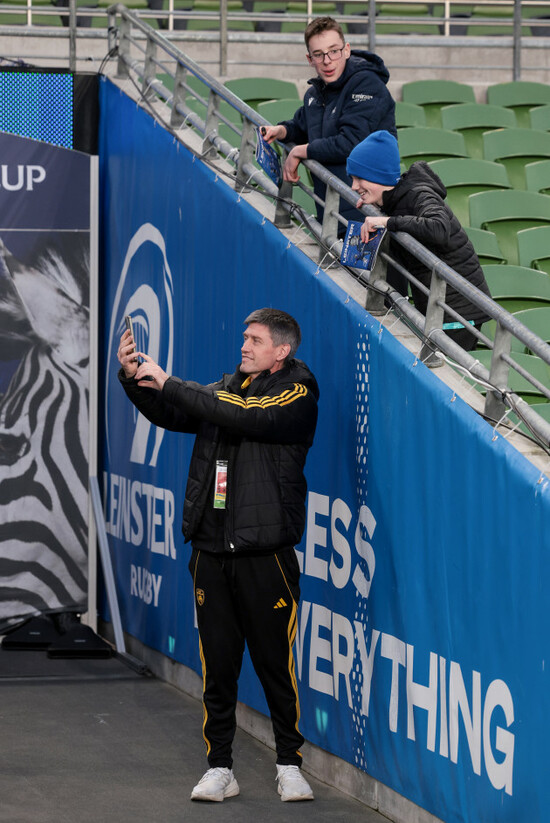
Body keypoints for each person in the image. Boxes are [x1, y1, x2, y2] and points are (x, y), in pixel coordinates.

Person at [117, 308, 319, 803]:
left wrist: (171, 382)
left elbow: (244, 416)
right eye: (245, 337)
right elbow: (175, 411)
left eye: (255, 339)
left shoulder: (298, 391)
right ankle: (220, 767)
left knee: (275, 665)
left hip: (265, 554)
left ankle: (289, 764)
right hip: (210, 550)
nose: (245, 345)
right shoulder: (230, 385)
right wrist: (134, 378)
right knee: (219, 666)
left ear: (282, 351)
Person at [346, 130, 492, 351]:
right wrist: (380, 209)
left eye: (360, 178)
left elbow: (439, 228)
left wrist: (387, 221)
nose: (354, 187)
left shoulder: (419, 193)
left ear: (379, 177)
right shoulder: (395, 199)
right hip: (439, 306)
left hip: (457, 311)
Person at [262, 16, 396, 226]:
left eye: (334, 51)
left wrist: (299, 151)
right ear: (310, 59)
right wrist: (281, 131)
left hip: (366, 213)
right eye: (319, 54)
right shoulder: (315, 94)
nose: (327, 60)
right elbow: (302, 125)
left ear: (347, 50)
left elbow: (350, 143)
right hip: (331, 211)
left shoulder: (367, 85)